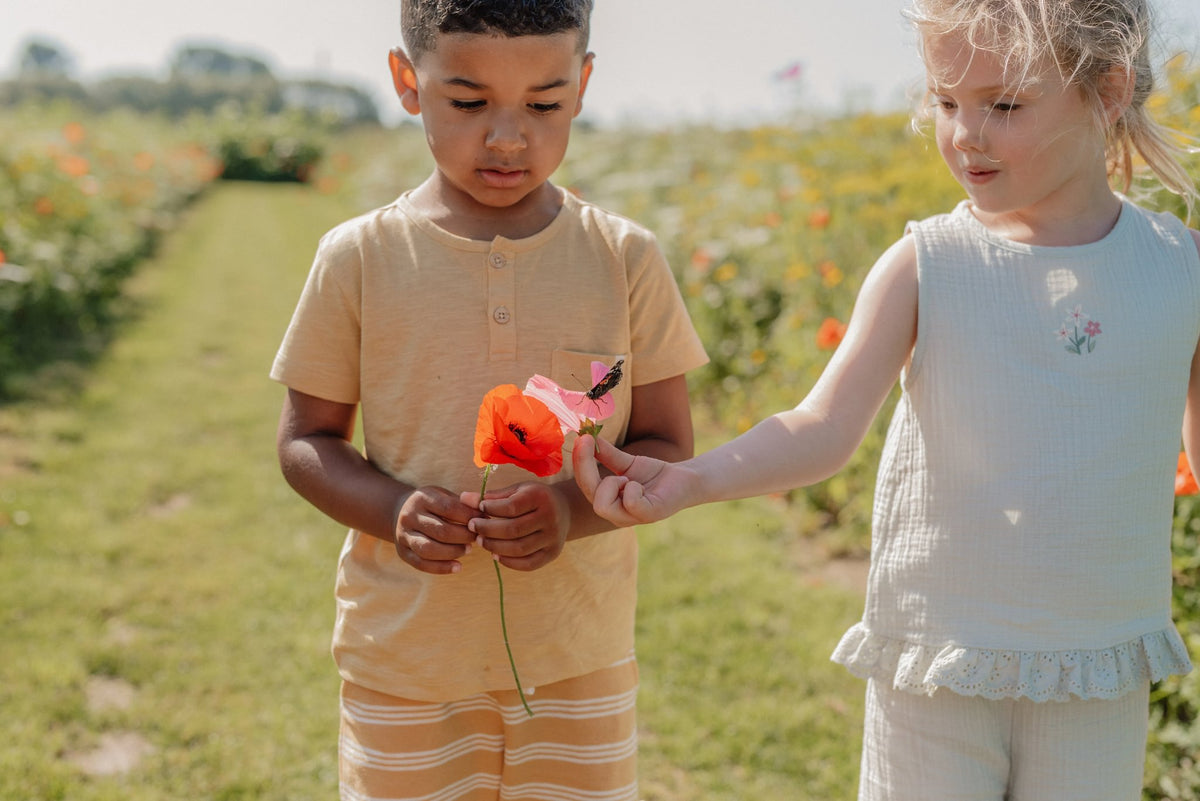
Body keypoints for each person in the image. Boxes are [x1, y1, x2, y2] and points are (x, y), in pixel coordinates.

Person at [573, 0, 1200, 797]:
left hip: (1098, 665)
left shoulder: (1181, 270)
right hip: (937, 660)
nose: (964, 133)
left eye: (1002, 105)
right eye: (946, 101)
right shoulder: (927, 264)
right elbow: (821, 425)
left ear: (1108, 90)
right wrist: (692, 478)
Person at [270, 1, 707, 798]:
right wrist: (393, 509)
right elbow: (307, 442)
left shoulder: (625, 258)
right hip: (404, 661)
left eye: (543, 103)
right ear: (408, 82)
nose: (508, 137)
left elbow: (666, 445)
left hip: (578, 659)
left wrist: (573, 509)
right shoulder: (358, 258)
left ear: (582, 85)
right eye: (468, 103)